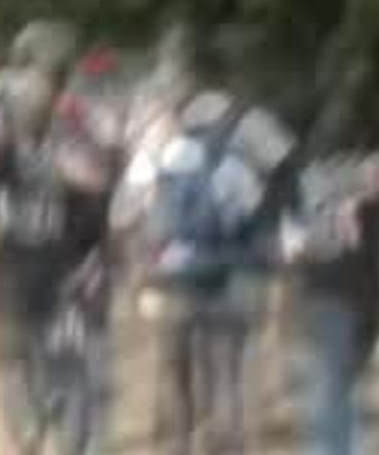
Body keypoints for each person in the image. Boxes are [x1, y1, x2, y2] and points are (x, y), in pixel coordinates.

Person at [124, 26, 300, 455]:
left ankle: (181, 441)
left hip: (173, 266)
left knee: (175, 365)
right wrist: (282, 233)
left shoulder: (152, 122)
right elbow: (288, 172)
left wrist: (139, 259)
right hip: (238, 264)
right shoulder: (251, 119)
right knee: (230, 368)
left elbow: (130, 205)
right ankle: (229, 441)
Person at [0, 20, 121, 455]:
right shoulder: (4, 115)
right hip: (24, 260)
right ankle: (40, 426)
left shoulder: (83, 117)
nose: (41, 84)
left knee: (69, 359)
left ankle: (70, 435)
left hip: (65, 261)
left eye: (47, 72)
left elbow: (105, 181)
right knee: (33, 356)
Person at [293, 151, 379, 455]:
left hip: (359, 306)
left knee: (346, 381)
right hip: (333, 302)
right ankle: (329, 448)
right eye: (369, 176)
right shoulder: (328, 209)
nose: (373, 182)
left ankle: (344, 446)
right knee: (332, 382)